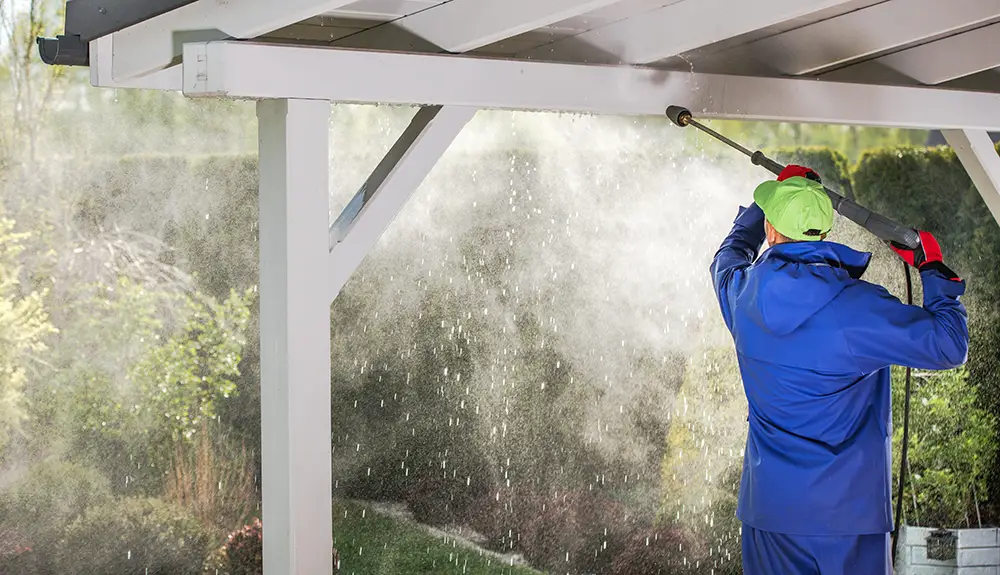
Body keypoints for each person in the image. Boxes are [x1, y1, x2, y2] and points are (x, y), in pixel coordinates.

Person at [710, 165, 969, 575]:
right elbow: (949, 345)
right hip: (848, 518)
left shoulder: (741, 296)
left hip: (770, 514)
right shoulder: (860, 308)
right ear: (824, 231)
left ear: (773, 230)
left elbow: (729, 254)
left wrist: (769, 203)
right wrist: (932, 268)